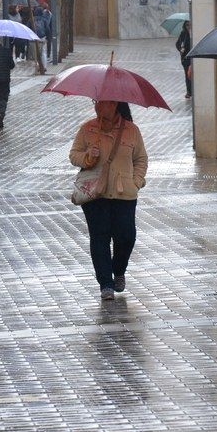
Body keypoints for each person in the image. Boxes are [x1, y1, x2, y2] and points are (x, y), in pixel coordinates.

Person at [69, 101, 149, 300]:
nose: (98, 106)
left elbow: (141, 159)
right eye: (97, 102)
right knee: (100, 237)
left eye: (103, 102)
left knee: (126, 236)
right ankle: (106, 284)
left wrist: (136, 182)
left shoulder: (131, 131)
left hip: (124, 193)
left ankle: (118, 270)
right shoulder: (88, 129)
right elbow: (73, 155)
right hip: (95, 194)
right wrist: (87, 157)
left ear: (114, 105)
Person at [175, 20, 193, 99]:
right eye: (187, 25)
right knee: (188, 75)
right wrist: (181, 50)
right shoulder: (184, 34)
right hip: (186, 59)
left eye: (189, 25)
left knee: (194, 75)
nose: (188, 27)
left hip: (193, 57)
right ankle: (189, 92)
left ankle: (194, 90)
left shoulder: (194, 33)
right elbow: (177, 44)